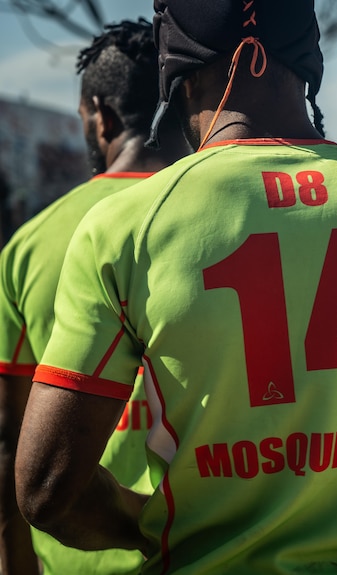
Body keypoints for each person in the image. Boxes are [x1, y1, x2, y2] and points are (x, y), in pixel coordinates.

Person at [15, 2, 337, 574]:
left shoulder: (128, 226)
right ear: (308, 59)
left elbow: (47, 489)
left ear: (177, 69)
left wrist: (144, 525)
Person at [0, 20, 189, 575]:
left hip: (82, 554)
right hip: (211, 547)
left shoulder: (29, 246)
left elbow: (12, 437)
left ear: (100, 115)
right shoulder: (227, 222)